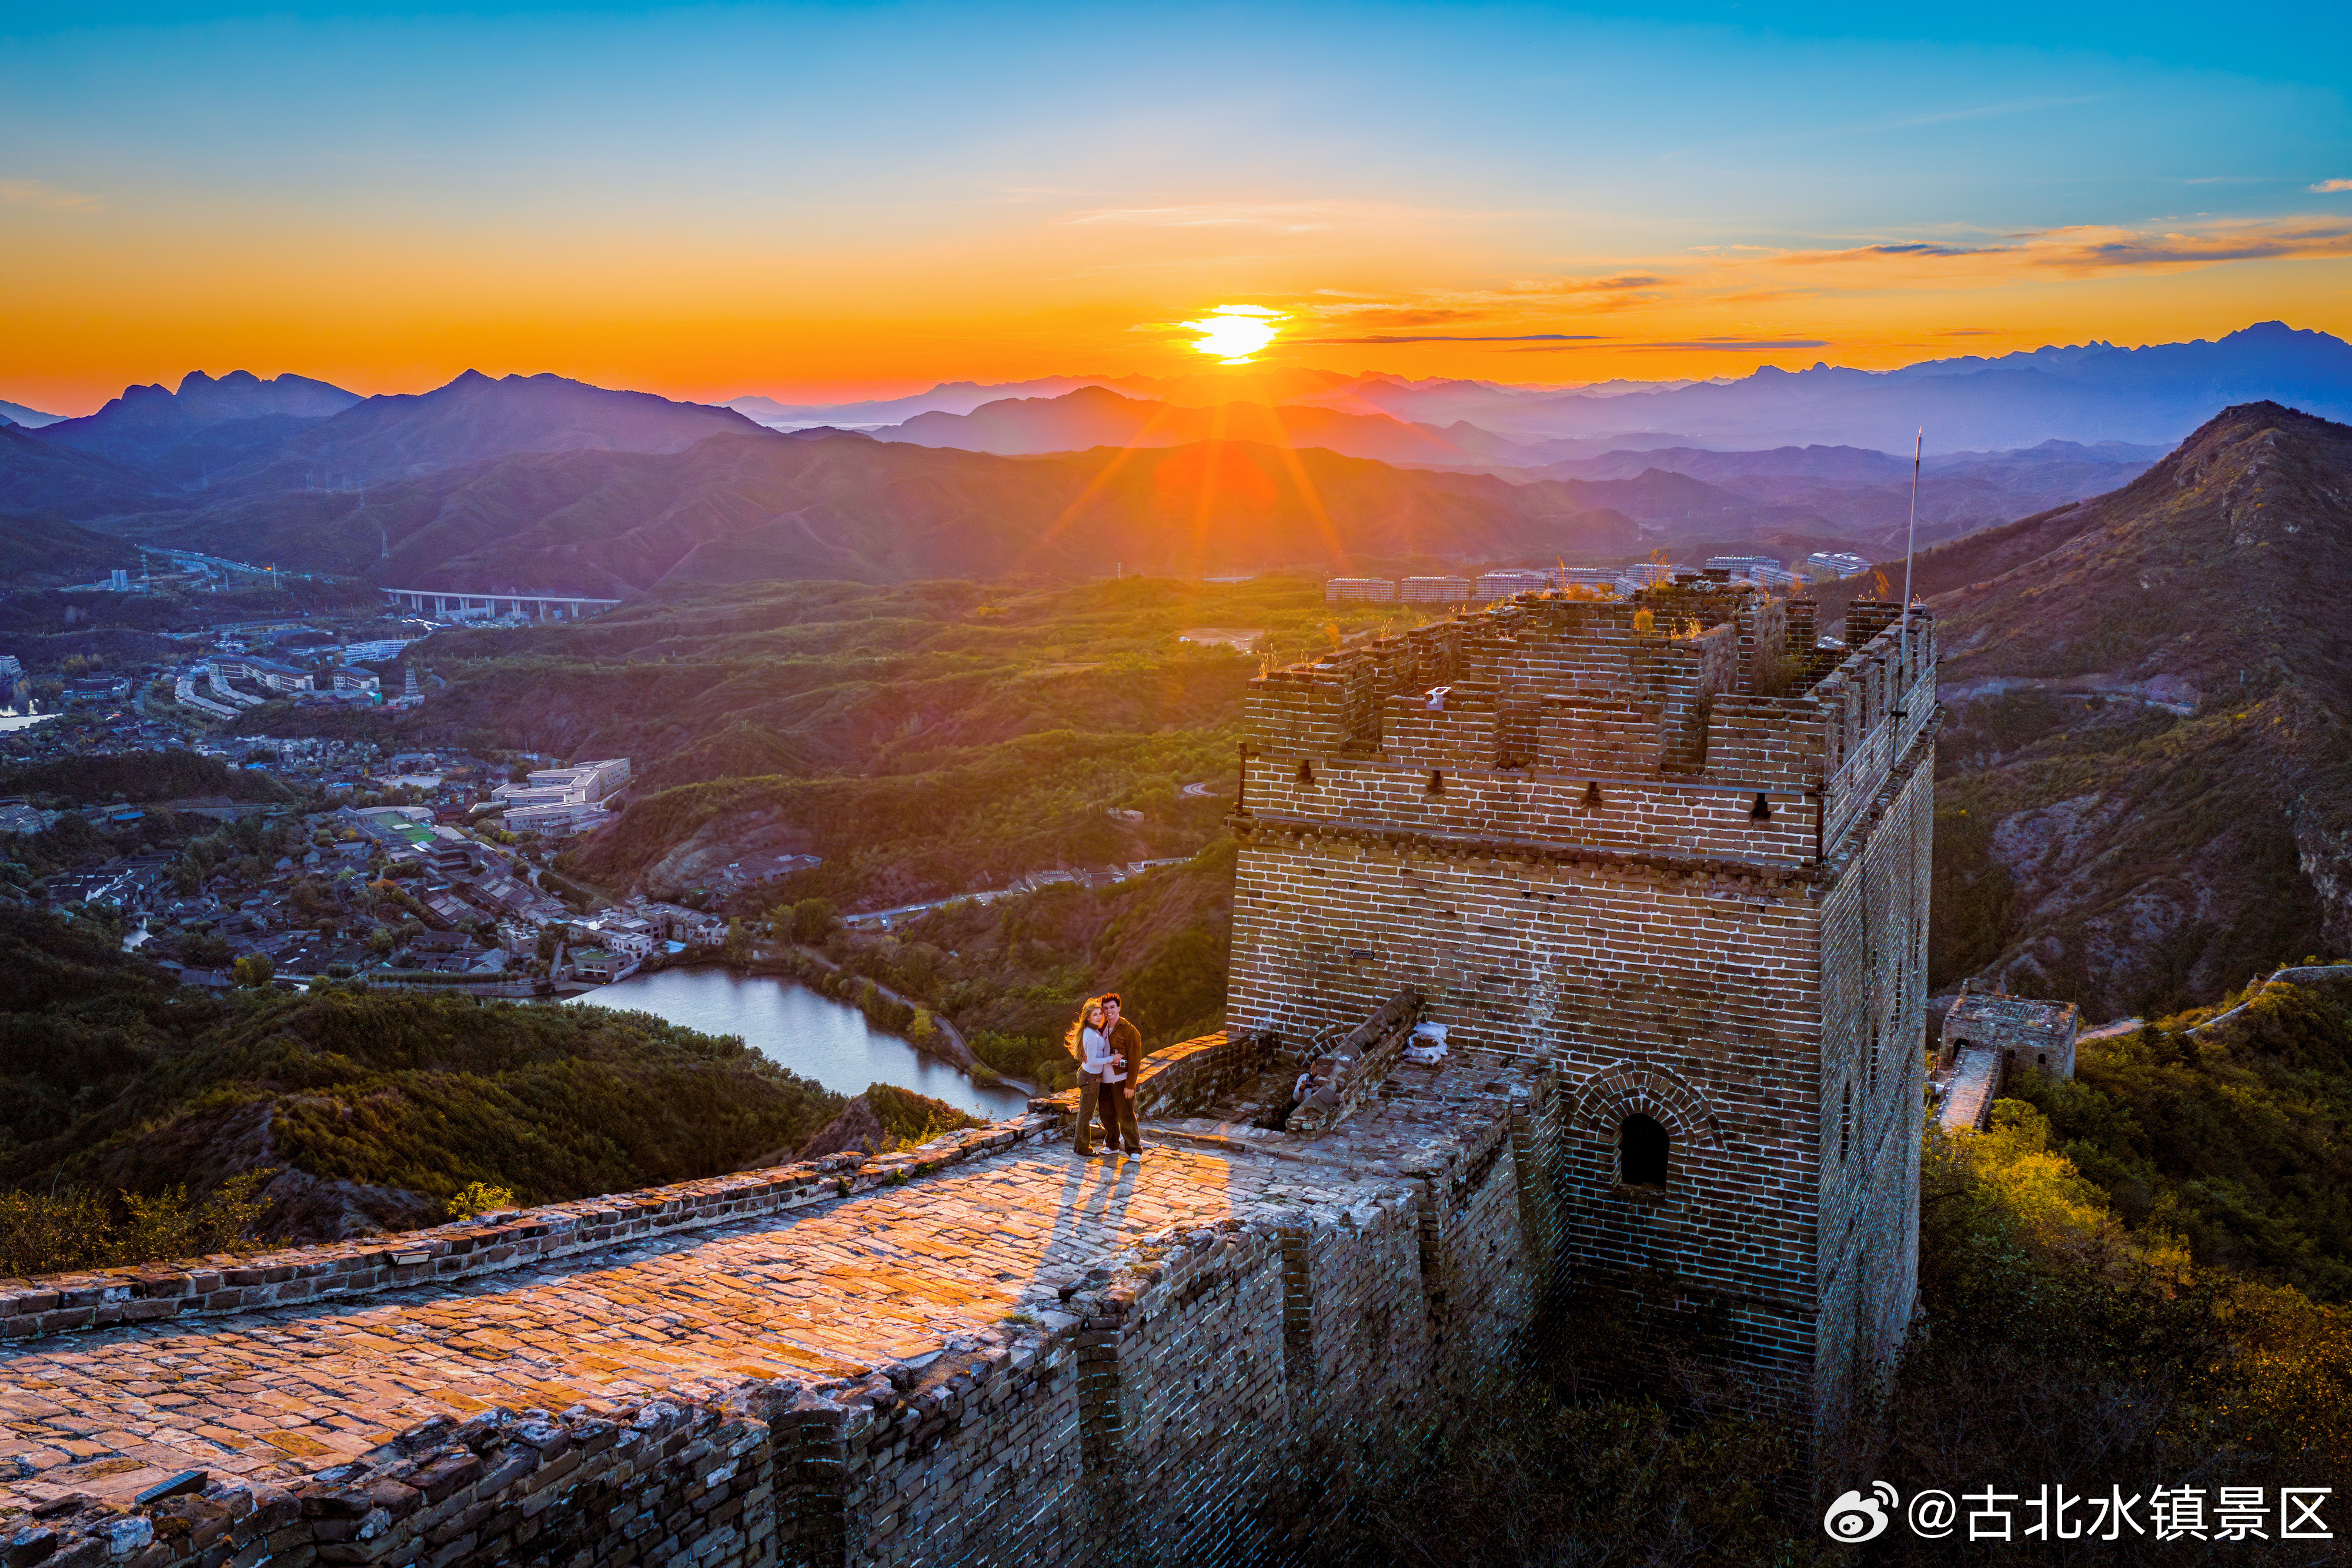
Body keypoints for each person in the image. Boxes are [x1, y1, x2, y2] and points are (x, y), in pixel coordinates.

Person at [1067, 998, 1118, 1156]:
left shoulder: (1094, 1031)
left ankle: (1079, 1147)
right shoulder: (1091, 1035)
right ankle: (1084, 1148)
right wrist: (1112, 1059)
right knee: (1086, 1115)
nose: (1099, 1017)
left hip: (1090, 1076)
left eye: (1100, 1014)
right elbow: (1094, 1061)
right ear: (1088, 1017)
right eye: (1095, 1015)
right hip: (1091, 1077)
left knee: (1084, 1113)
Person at [1098, 992, 1145, 1155]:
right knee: (1107, 1115)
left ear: (1119, 1008)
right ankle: (1112, 1145)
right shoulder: (1102, 1027)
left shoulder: (1129, 1030)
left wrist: (1130, 1085)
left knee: (1126, 1116)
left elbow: (1135, 1059)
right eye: (1105, 1008)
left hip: (1121, 1080)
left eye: (1112, 1007)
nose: (1109, 1011)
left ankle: (1134, 1150)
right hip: (1104, 1081)